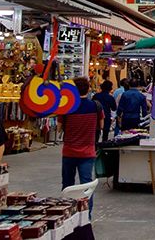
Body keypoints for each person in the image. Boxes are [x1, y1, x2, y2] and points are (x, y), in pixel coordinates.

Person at [57, 77, 103, 214]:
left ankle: (67, 215)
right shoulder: (96, 106)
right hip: (87, 152)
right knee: (86, 187)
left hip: (69, 151)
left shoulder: (66, 107)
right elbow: (100, 126)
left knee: (67, 185)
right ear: (88, 88)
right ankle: (86, 217)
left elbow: (59, 128)